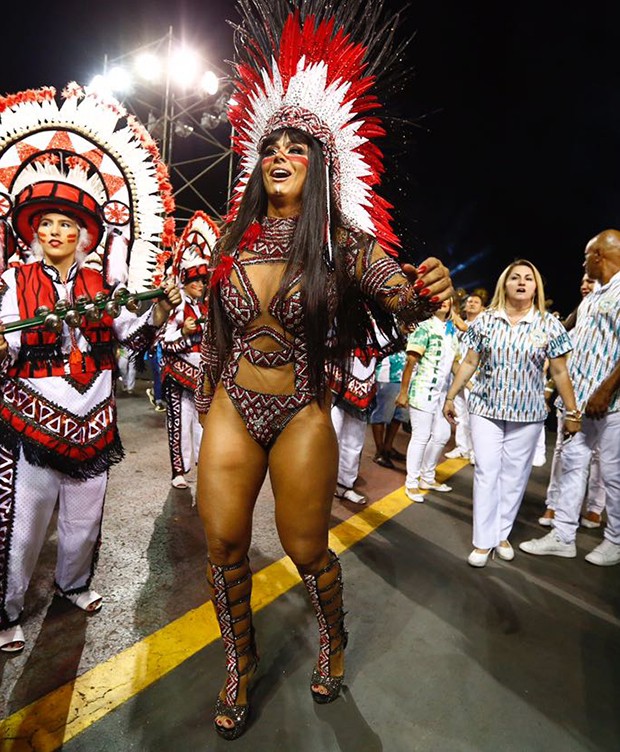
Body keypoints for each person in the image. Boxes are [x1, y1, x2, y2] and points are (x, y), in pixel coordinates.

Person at [193, 2, 453, 740]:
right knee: (222, 544)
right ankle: (239, 665)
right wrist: (207, 398)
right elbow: (216, 336)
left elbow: (400, 303)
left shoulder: (346, 244)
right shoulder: (233, 242)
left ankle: (332, 637)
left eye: (297, 147)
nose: (279, 153)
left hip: (304, 407)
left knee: (306, 546)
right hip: (236, 403)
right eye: (270, 145)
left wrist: (424, 293)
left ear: (323, 162)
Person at [0, 83, 181, 654]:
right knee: (22, 527)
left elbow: (129, 331)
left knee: (84, 518)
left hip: (94, 420)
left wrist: (159, 303)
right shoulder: (12, 282)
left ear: (84, 235)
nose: (57, 233)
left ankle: (72, 584)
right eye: (47, 224)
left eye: (68, 225)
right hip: (31, 422)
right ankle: (5, 609)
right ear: (32, 231)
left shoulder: (104, 285)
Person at [443, 260, 580, 567]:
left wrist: (572, 411)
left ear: (536, 287)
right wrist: (451, 395)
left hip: (528, 414)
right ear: (504, 285)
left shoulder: (549, 324)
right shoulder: (485, 321)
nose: (521, 282)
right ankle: (482, 542)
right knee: (486, 471)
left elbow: (559, 372)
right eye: (514, 277)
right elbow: (469, 362)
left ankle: (501, 535)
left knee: (514, 477)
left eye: (528, 278)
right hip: (485, 408)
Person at [520, 231, 620, 564]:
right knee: (572, 466)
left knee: (612, 474)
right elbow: (569, 334)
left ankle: (615, 541)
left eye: (586, 256)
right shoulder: (595, 295)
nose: (583, 263)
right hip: (580, 403)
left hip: (611, 404)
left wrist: (605, 390)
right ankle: (563, 535)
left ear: (599, 256)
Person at [161, 212, 218, 489]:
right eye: (196, 281)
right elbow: (164, 342)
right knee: (180, 425)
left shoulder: (205, 308)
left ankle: (203, 466)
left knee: (202, 424)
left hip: (202, 377)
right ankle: (179, 471)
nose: (200, 285)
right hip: (178, 376)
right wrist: (184, 333)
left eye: (203, 282)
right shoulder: (175, 307)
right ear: (184, 282)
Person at [396, 298, 459, 501]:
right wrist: (403, 392)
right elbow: (411, 361)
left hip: (441, 393)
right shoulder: (424, 327)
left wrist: (469, 386)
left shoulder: (451, 330)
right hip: (423, 389)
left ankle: (427, 477)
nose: (443, 302)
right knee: (421, 436)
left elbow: (455, 365)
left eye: (446, 299)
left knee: (441, 435)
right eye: (439, 298)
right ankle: (411, 483)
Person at [445, 293, 485, 462]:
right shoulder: (461, 324)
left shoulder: (482, 324)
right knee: (460, 414)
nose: (471, 304)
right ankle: (462, 447)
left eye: (476, 302)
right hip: (457, 374)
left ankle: (477, 452)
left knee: (476, 416)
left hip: (475, 376)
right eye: (469, 302)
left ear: (482, 308)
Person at [369, 343, 410, 468]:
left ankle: (388, 447)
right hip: (388, 374)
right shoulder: (385, 326)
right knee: (382, 413)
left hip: (408, 376)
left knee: (400, 414)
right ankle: (379, 451)